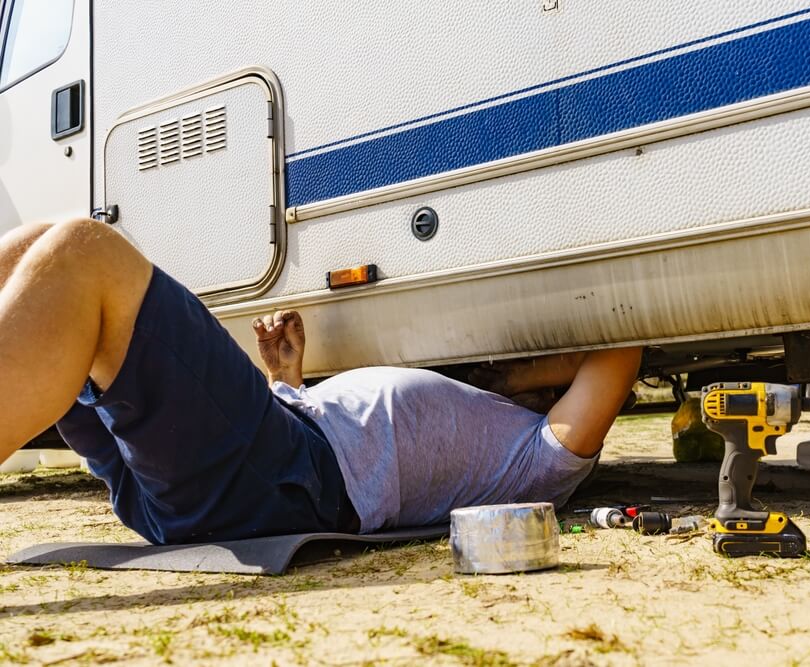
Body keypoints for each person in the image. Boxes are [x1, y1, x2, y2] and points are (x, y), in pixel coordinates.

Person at [0, 219, 641, 544]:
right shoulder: (490, 418)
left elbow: (621, 345)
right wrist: (286, 377)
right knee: (34, 244)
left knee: (87, 253)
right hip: (267, 461)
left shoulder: (541, 460)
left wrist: (523, 371)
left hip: (278, 483)